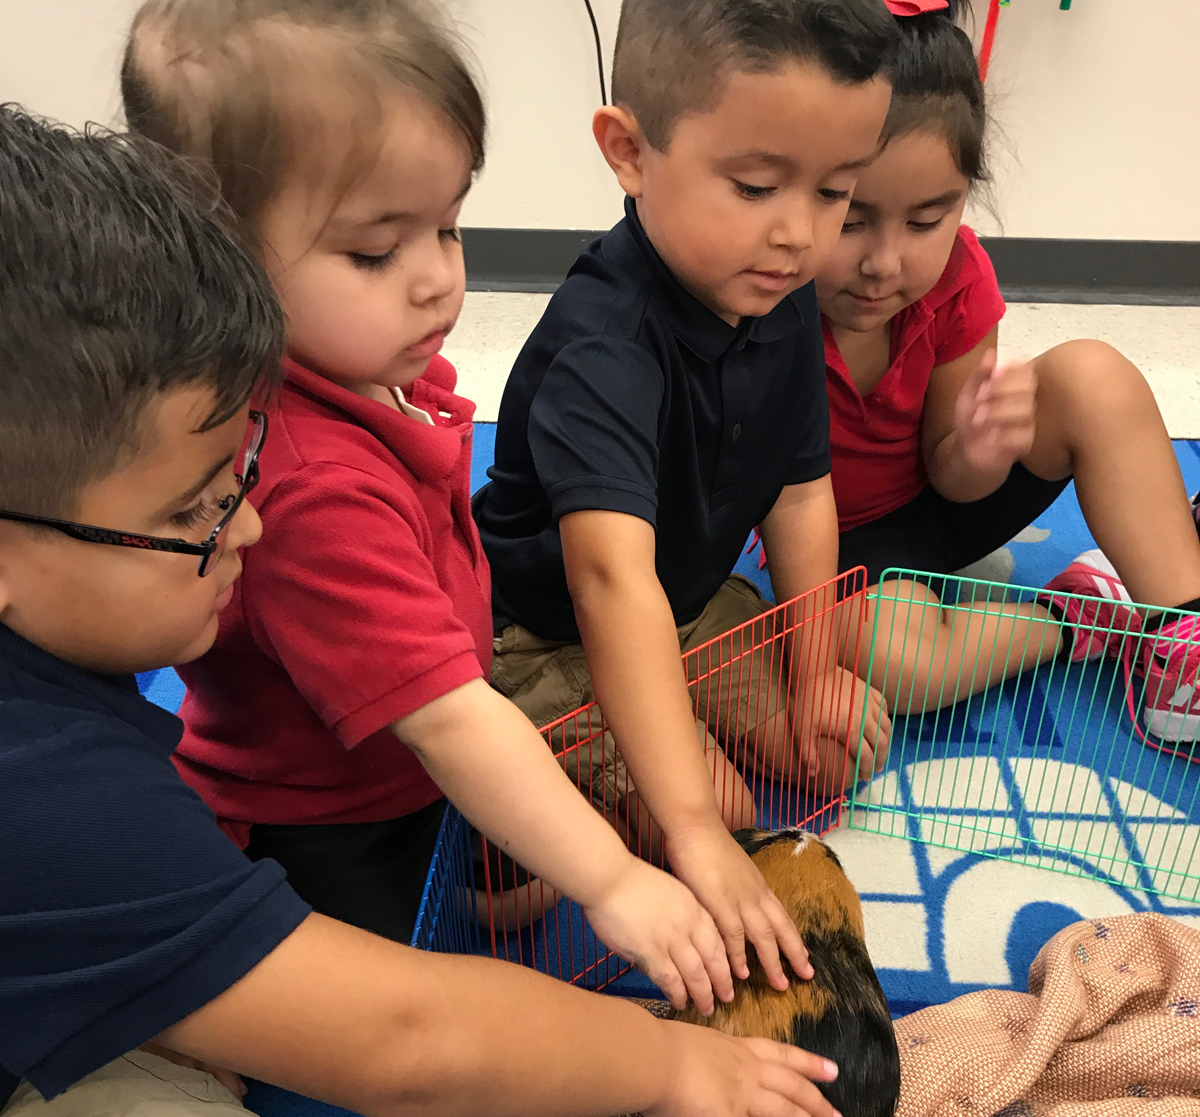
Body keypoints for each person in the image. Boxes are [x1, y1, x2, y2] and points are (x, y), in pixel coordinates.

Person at [0, 103, 842, 1117]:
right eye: (192, 512)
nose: (252, 532)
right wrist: (674, 1064)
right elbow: (404, 1042)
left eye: (239, 479)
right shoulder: (52, 798)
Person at [119, 0, 805, 1007]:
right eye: (374, 252)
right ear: (216, 260)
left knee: (523, 889)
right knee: (412, 1003)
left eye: (445, 224)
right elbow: (447, 721)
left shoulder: (369, 371)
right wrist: (616, 885)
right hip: (320, 819)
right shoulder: (308, 486)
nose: (439, 278)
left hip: (418, 761)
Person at [472, 0, 898, 959]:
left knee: (836, 739)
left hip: (689, 605)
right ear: (628, 151)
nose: (799, 235)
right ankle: (519, 821)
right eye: (754, 186)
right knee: (723, 813)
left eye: (836, 192)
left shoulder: (777, 293)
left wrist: (814, 666)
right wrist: (698, 830)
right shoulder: (604, 347)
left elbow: (801, 493)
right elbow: (607, 579)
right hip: (545, 637)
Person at [812, 0, 1200, 721]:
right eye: (849, 217)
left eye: (927, 219)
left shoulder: (960, 279)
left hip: (947, 497)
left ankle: (1182, 628)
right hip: (838, 544)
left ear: (965, 201)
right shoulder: (773, 297)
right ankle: (1077, 614)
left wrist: (984, 446)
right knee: (894, 664)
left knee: (1092, 375)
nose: (883, 263)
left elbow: (952, 475)